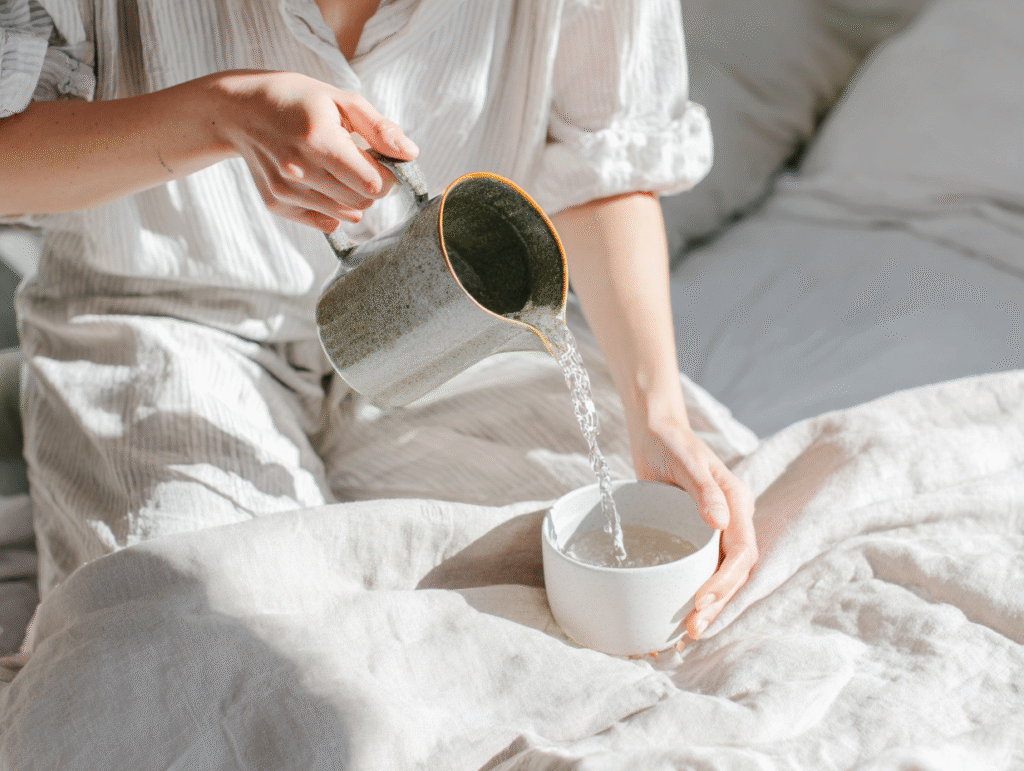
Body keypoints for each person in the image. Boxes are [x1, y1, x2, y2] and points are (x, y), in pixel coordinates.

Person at [0, 0, 756, 643]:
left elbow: (604, 155)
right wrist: (220, 111)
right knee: (202, 647)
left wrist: (658, 411)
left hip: (448, 332)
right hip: (164, 315)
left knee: (712, 555)